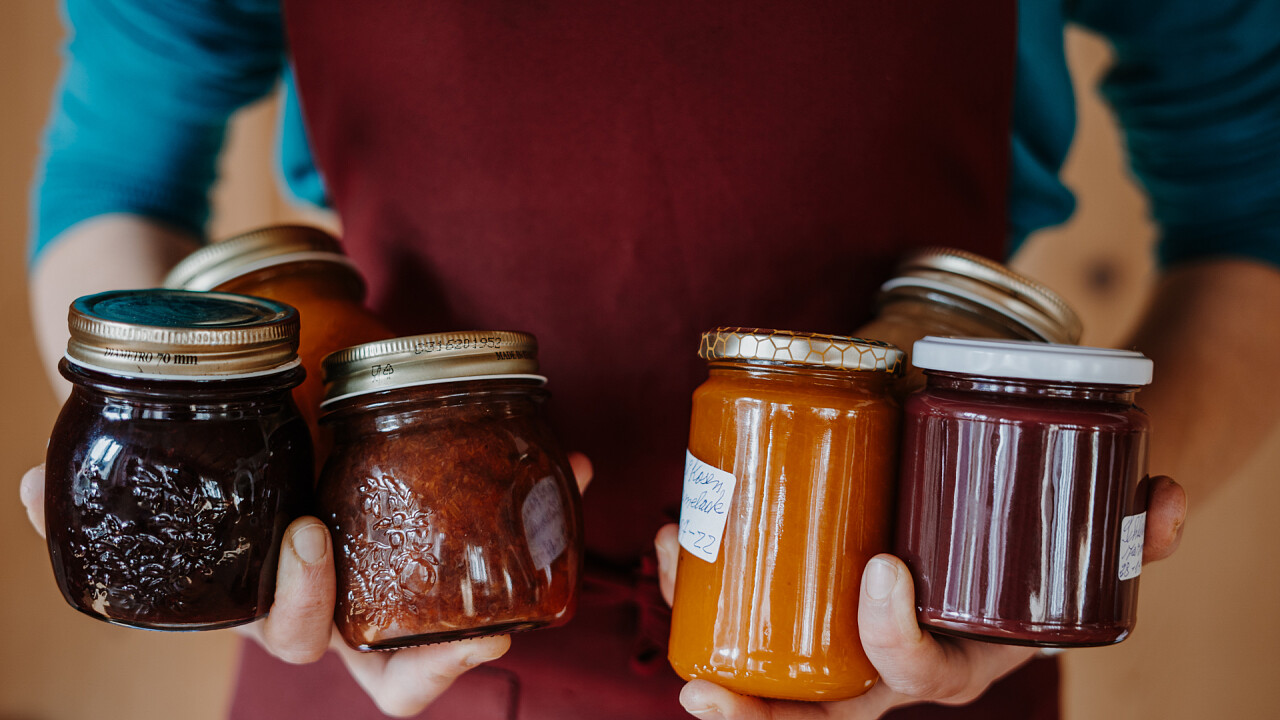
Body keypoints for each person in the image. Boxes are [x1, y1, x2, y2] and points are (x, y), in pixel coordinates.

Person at [20, 0, 1279, 718]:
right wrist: (162, 437)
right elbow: (120, 172)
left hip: (914, 633)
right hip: (376, 606)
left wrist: (1051, 546)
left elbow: (1248, 208)